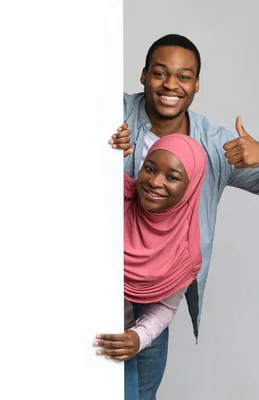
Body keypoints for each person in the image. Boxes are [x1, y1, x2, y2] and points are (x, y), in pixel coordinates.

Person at [98, 33, 259, 399]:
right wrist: (104, 145)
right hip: (102, 276)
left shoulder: (213, 145)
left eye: (184, 76)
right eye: (160, 73)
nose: (171, 85)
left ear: (196, 85)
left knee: (141, 390)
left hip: (162, 283)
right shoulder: (111, 112)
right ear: (143, 75)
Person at [94, 133, 207, 399]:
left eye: (172, 177)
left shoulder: (185, 251)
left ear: (191, 186)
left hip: (109, 345)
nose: (155, 182)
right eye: (150, 168)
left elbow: (166, 306)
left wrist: (138, 337)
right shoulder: (109, 194)